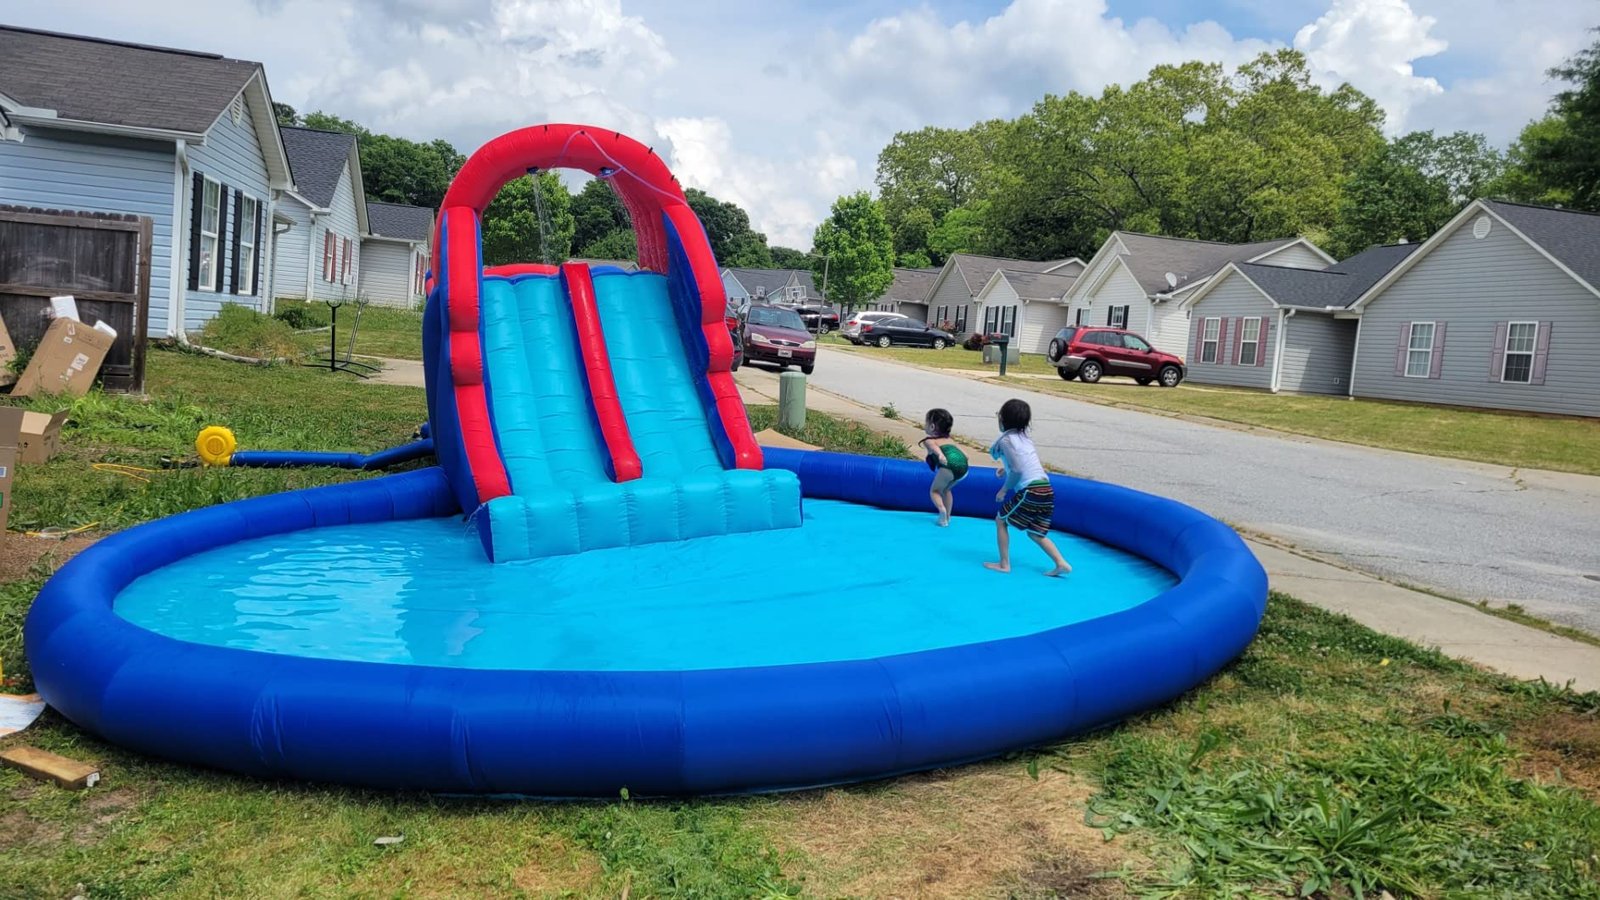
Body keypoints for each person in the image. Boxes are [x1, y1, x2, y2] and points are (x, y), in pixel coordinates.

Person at [986, 398, 1072, 577]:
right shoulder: (1025, 438)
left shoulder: (1006, 440)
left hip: (1031, 490)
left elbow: (1017, 470)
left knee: (1001, 521)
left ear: (1003, 419)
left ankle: (1004, 564)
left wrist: (1004, 489)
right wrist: (1005, 468)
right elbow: (1025, 462)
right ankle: (1061, 562)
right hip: (1046, 489)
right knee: (1036, 533)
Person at [917, 408, 969, 526]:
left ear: (932, 427)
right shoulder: (950, 440)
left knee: (934, 491)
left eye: (926, 422)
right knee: (946, 490)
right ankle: (947, 518)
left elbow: (934, 448)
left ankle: (942, 510)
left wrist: (940, 455)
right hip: (964, 469)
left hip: (948, 466)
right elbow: (966, 456)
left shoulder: (928, 441)